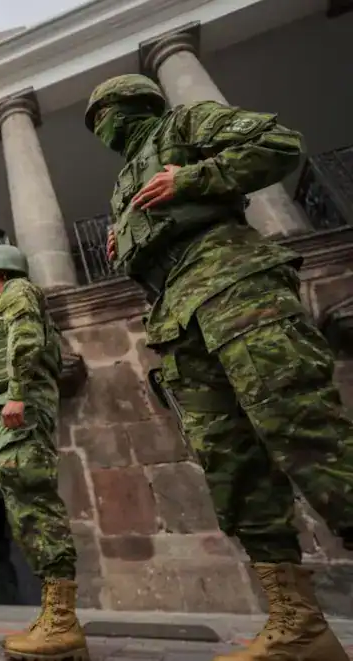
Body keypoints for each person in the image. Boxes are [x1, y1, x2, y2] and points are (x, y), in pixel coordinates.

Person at [85, 73, 352, 661]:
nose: (99, 128)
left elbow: (279, 145)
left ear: (130, 104)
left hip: (236, 288)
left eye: (101, 114)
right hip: (178, 319)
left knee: (308, 437)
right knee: (233, 469)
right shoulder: (124, 180)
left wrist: (191, 176)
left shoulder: (184, 124)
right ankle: (299, 625)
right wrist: (124, 240)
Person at [0, 243, 89, 661]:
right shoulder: (3, 302)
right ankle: (54, 612)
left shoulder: (16, 293)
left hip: (19, 407)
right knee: (23, 499)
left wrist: (17, 393)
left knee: (33, 496)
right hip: (7, 412)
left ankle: (62, 620)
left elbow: (24, 340)